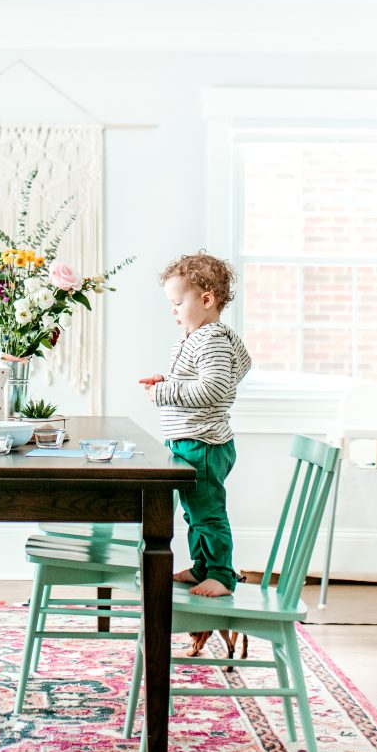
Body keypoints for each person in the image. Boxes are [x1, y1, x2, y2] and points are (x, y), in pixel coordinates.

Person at [139, 252, 252, 601]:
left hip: (202, 443)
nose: (172, 311)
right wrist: (168, 380)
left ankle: (221, 573)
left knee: (207, 512)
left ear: (206, 300)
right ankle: (203, 566)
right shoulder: (200, 337)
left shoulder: (211, 337)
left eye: (177, 303)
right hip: (190, 440)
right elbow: (238, 366)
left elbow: (216, 388)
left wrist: (164, 393)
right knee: (193, 512)